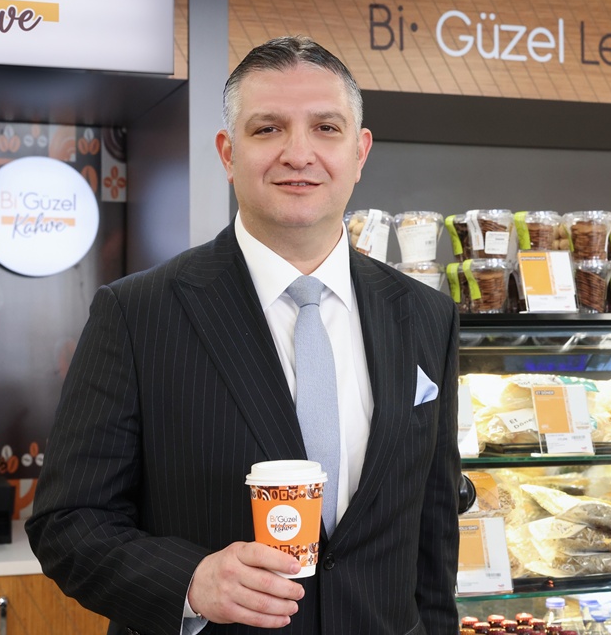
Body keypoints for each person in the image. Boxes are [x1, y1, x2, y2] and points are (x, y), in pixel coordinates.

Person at [27, 35, 461, 635]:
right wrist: (190, 581)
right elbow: (67, 521)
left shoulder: (425, 314)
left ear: (360, 152)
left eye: (326, 128)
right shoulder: (136, 313)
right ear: (228, 153)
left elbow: (434, 529)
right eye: (268, 129)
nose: (299, 153)